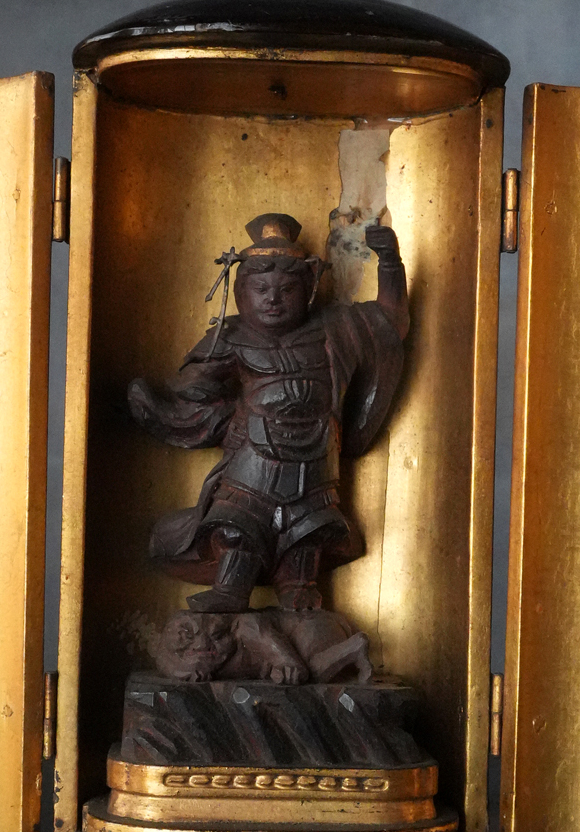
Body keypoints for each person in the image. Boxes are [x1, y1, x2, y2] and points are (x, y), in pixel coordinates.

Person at [127, 211, 409, 612]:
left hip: (316, 457)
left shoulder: (336, 328)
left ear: (308, 290)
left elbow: (390, 324)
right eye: (260, 288)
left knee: (308, 533)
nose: (273, 299)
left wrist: (390, 264)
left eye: (286, 289)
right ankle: (230, 591)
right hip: (252, 459)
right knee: (238, 527)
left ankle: (300, 595)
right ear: (242, 292)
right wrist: (168, 408)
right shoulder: (231, 336)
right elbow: (194, 388)